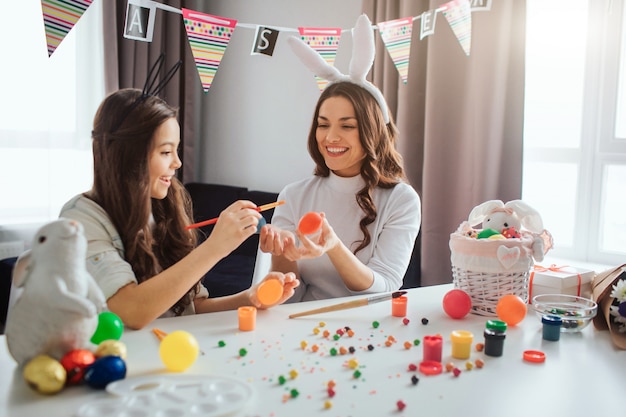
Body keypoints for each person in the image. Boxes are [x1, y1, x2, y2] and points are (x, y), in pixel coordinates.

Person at [60, 85, 298, 330]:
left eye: (176, 150)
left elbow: (192, 309)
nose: (177, 162)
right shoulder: (81, 220)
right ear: (127, 155)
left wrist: (251, 298)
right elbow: (132, 311)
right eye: (165, 152)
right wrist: (215, 247)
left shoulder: (166, 207)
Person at [259, 81, 421, 302]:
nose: (331, 137)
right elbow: (290, 299)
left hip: (367, 326)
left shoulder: (401, 200)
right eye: (323, 125)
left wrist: (333, 246)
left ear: (372, 132)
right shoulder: (293, 196)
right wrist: (280, 253)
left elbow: (386, 287)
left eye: (347, 126)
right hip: (305, 325)